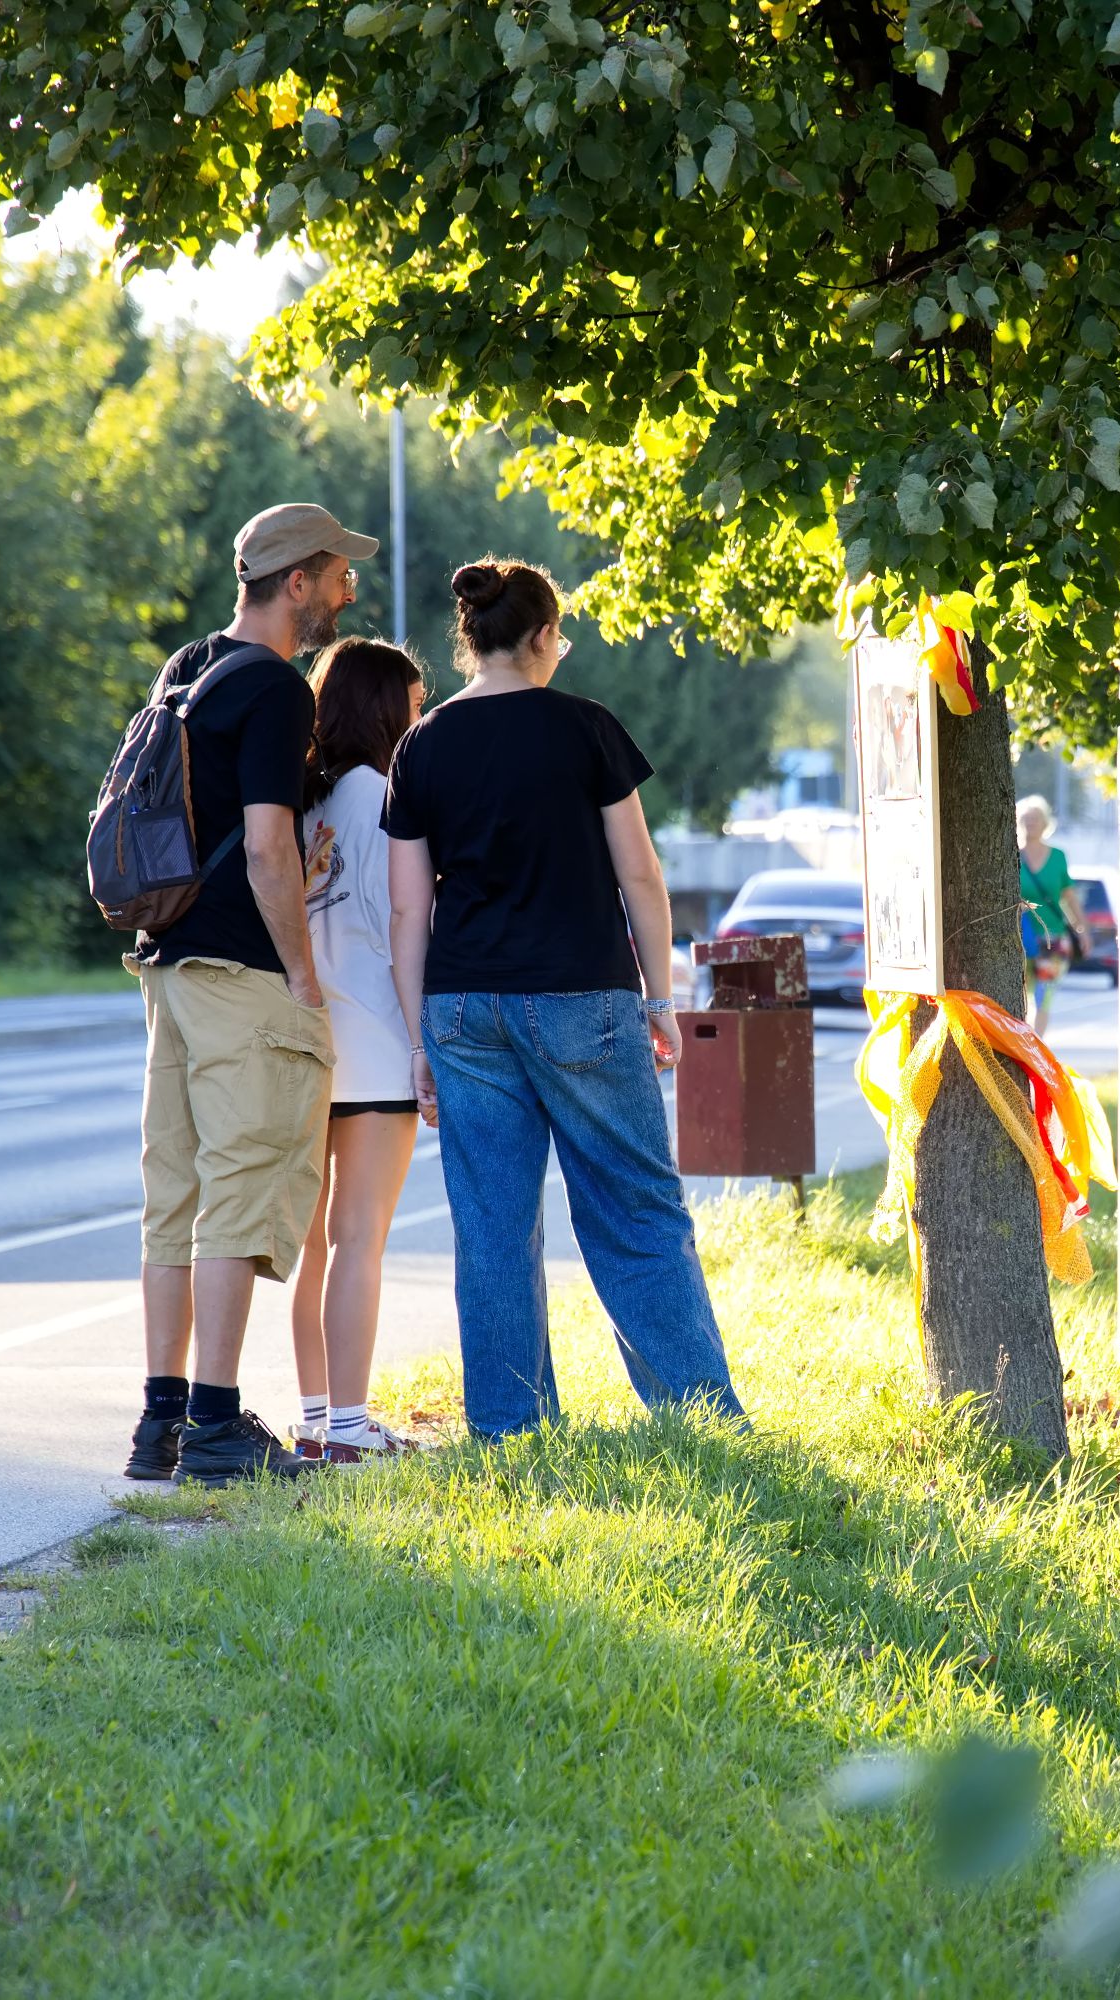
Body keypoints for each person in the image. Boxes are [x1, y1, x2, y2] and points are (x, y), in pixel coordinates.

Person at [383, 558, 744, 1438]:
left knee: (492, 1227)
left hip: (464, 1006)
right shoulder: (586, 728)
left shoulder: (421, 745)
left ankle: (510, 1432)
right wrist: (661, 1001)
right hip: (582, 995)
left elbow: (406, 908)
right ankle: (697, 1420)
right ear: (543, 636)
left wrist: (420, 1041)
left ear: (473, 639)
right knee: (635, 1209)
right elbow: (640, 876)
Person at [122, 502, 375, 1487]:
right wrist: (303, 979)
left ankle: (162, 1422)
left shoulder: (187, 668)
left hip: (169, 964)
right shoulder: (274, 689)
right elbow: (270, 847)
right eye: (339, 576)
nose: (348, 593)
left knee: (174, 1195)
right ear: (296, 580)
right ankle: (220, 1426)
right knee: (239, 1191)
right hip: (239, 973)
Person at [289, 637, 429, 1464]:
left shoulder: (306, 802)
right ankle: (350, 1426)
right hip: (376, 1040)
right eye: (414, 705)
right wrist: (423, 1043)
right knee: (359, 1238)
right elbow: (402, 924)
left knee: (312, 1245)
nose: (420, 720)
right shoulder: (383, 795)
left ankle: (316, 1419)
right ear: (384, 710)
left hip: (309, 1041)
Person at [1016, 795, 1088, 1031]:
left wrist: (1082, 930)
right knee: (1021, 997)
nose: (1031, 823)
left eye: (1035, 819)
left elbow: (1069, 897)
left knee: (1043, 998)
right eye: (1026, 819)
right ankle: (1022, 1044)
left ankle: (1036, 1045)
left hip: (1053, 939)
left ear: (1045, 823)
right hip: (1020, 939)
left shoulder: (1058, 857)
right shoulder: (1012, 855)